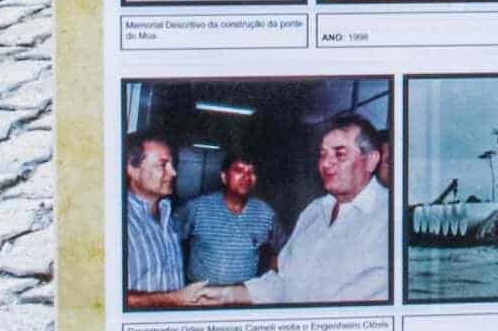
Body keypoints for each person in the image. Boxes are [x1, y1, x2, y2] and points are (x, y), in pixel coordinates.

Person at [191, 114, 391, 306]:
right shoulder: (314, 212)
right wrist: (225, 295)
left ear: (371, 160)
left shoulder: (390, 219)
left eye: (340, 154)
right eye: (322, 154)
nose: (326, 163)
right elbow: (283, 282)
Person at [121, 132, 194, 308]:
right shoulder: (119, 223)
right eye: (163, 165)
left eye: (172, 165)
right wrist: (173, 299)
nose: (173, 172)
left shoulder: (168, 216)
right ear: (132, 169)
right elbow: (106, 297)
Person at [181, 152, 278, 285]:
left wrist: (271, 281)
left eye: (251, 172)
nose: (246, 177)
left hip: (241, 295)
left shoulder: (265, 213)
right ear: (224, 177)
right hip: (202, 294)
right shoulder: (197, 208)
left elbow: (283, 248)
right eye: (239, 170)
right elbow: (168, 241)